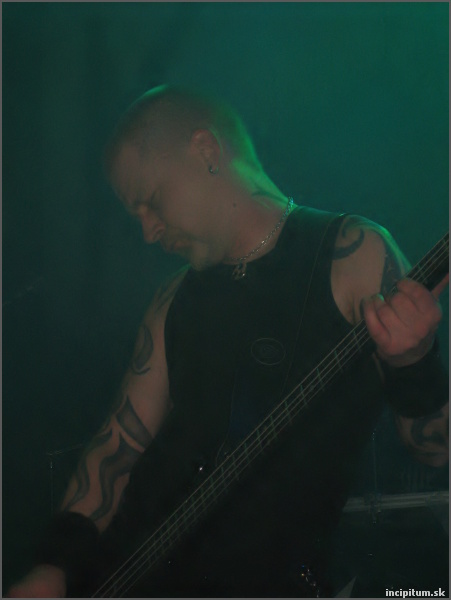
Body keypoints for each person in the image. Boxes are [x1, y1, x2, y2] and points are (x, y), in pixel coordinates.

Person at [7, 85, 449, 598]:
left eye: (151, 202)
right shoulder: (173, 299)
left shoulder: (353, 253)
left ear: (206, 150)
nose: (147, 231)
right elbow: (115, 452)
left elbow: (436, 448)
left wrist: (415, 361)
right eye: (136, 215)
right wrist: (53, 567)